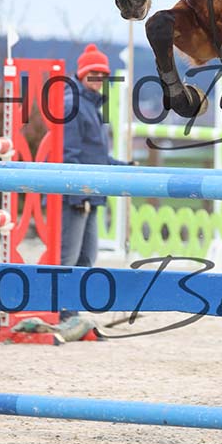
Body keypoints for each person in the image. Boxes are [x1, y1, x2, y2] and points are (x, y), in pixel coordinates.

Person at [60, 44, 129, 317]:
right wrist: (80, 194)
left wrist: (126, 170)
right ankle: (59, 311)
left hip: (89, 196)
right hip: (74, 198)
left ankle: (71, 313)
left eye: (103, 74)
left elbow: (96, 157)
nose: (99, 78)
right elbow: (68, 156)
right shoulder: (72, 105)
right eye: (93, 73)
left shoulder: (91, 106)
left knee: (87, 257)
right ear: (81, 74)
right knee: (67, 259)